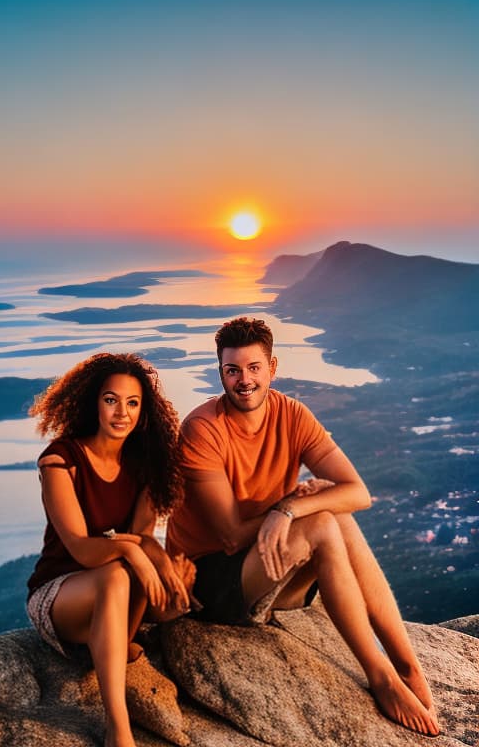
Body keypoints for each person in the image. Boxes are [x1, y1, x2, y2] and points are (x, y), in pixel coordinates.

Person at [166, 317, 440, 737]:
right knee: (321, 524)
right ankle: (381, 676)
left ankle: (407, 665)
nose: (244, 381)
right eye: (232, 370)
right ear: (219, 372)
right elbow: (230, 536)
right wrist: (290, 502)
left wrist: (289, 510)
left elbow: (357, 492)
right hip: (208, 583)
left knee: (338, 519)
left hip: (267, 568)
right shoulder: (203, 430)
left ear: (272, 367)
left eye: (254, 368)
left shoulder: (292, 414)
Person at [27, 352, 193, 747]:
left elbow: (143, 534)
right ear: (94, 402)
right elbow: (82, 549)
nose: (122, 412)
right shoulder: (60, 460)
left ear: (144, 410)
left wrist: (164, 567)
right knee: (120, 572)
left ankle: (113, 645)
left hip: (110, 596)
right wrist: (134, 552)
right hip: (60, 594)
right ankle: (118, 729)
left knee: (164, 588)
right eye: (111, 400)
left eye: (133, 402)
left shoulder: (146, 464)